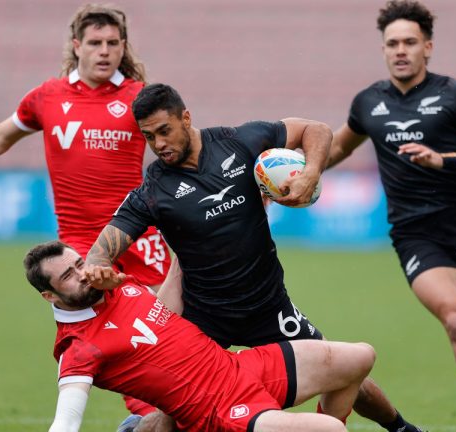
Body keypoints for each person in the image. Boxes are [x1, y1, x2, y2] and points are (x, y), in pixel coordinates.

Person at [86, 83, 423, 432]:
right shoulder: (154, 189)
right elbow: (103, 247)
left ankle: (401, 428)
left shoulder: (239, 141)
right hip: (205, 319)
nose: (158, 145)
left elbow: (316, 130)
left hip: (268, 306)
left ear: (186, 118)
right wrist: (97, 268)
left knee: (342, 369)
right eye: (148, 137)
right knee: (176, 415)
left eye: (164, 131)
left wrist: (311, 173)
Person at [326, 2, 456, 431]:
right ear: (383, 50)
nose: (400, 51)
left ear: (428, 47)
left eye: (409, 42)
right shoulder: (368, 102)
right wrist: (294, 172)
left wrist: (442, 161)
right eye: (392, 44)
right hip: (414, 234)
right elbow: (337, 148)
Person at [0, 4, 170, 289]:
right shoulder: (48, 97)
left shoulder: (141, 97)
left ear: (123, 46)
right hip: (79, 243)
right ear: (77, 46)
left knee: (165, 324)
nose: (104, 51)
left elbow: (177, 147)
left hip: (136, 235)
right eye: (95, 43)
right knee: (90, 327)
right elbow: (0, 137)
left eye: (112, 43)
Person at [24, 240, 375, 432]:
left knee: (360, 357)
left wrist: (183, 237)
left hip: (239, 369)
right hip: (217, 411)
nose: (82, 274)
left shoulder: (118, 285)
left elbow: (164, 308)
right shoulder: (77, 348)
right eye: (68, 276)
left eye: (79, 263)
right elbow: (66, 421)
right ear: (50, 296)